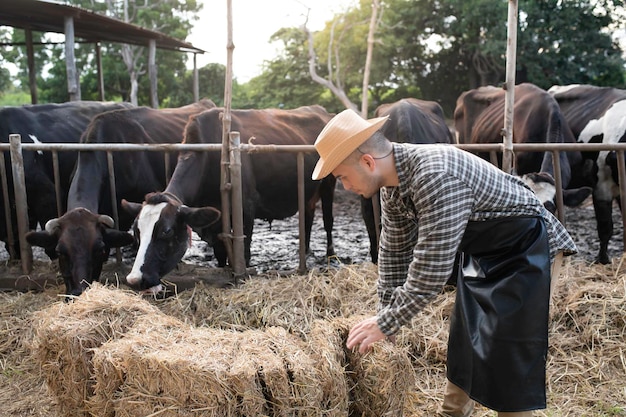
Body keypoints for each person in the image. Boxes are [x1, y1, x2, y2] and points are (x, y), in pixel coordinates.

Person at [311, 109, 576, 417]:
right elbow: (394, 253)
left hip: (526, 248)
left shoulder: (435, 176)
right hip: (485, 252)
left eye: (343, 176)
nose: (344, 186)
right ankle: (453, 413)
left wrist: (386, 323)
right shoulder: (392, 186)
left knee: (508, 348)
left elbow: (431, 271)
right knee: (465, 336)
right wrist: (387, 312)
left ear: (368, 162)